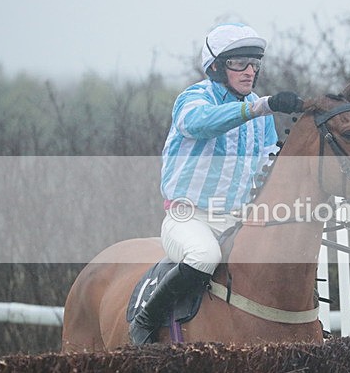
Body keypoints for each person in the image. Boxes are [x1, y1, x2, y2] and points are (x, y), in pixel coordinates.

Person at [129, 22, 304, 345]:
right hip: (188, 218)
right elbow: (199, 124)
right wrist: (259, 106)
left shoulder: (261, 118)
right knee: (204, 255)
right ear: (216, 67)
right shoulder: (194, 97)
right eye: (239, 63)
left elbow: (269, 166)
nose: (250, 71)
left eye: (254, 63)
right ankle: (145, 322)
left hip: (235, 220)